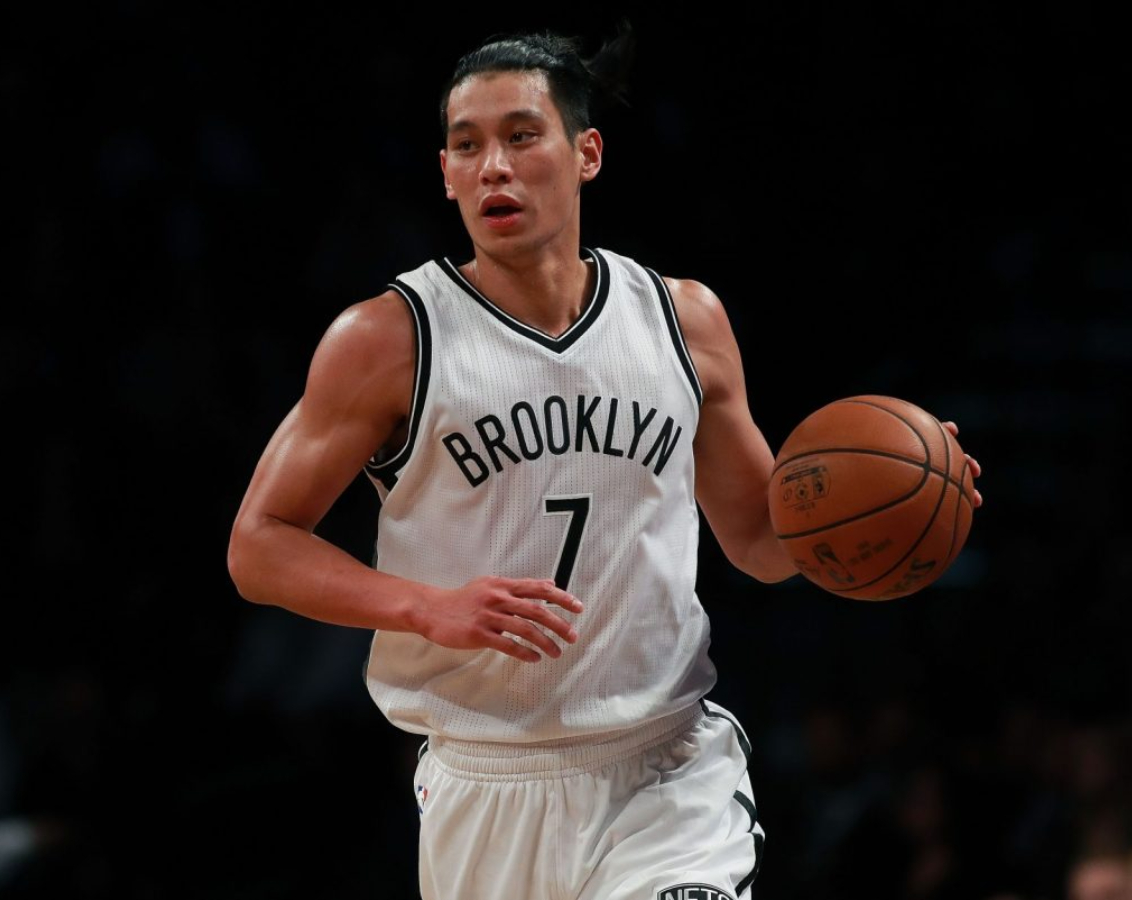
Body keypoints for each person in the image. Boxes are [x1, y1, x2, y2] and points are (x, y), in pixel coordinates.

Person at [226, 23, 984, 900]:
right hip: (487, 779)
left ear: (586, 152)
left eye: (521, 135)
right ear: (444, 174)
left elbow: (761, 542)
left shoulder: (683, 320)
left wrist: (899, 505)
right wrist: (424, 607)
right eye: (466, 146)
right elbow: (258, 546)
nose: (493, 167)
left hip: (666, 767)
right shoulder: (388, 339)